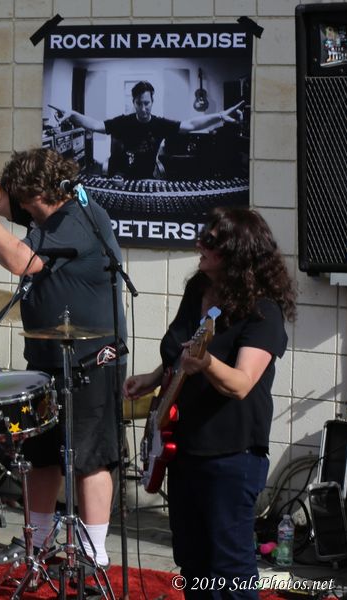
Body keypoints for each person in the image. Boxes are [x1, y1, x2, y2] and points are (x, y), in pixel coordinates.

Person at [0, 148, 127, 567]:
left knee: (90, 458)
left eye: (24, 200)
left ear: (39, 196)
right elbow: (1, 199)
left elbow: (21, 261)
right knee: (41, 453)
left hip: (92, 358)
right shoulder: (49, 211)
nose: (20, 209)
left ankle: (93, 553)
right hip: (50, 353)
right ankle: (37, 542)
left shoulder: (75, 219)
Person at [124, 208, 294, 600]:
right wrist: (154, 377)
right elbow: (180, 352)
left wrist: (208, 363)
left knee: (230, 568)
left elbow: (241, 383)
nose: (199, 243)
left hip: (231, 454)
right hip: (184, 448)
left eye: (211, 241)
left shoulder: (263, 312)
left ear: (238, 252)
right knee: (192, 561)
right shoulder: (198, 288)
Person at [59, 80, 244, 179]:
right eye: (139, 103)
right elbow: (94, 125)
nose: (143, 108)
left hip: (148, 177)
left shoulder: (160, 124)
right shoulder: (122, 122)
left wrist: (220, 116)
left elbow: (191, 125)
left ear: (152, 102)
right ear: (133, 102)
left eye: (147, 103)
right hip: (122, 178)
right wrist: (73, 114)